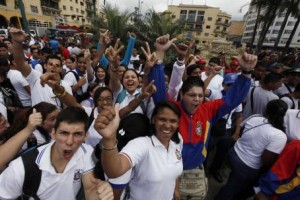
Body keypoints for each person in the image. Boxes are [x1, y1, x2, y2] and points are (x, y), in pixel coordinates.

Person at [0, 107, 113, 200]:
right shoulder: (21, 168)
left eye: (77, 134)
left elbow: (90, 189)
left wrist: (101, 193)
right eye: (64, 133)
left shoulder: (85, 152)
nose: (69, 142)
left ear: (85, 136)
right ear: (53, 133)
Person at [94, 101, 183, 200]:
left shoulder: (176, 146)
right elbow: (114, 171)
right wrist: (109, 139)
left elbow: (174, 171)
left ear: (178, 123)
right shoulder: (142, 145)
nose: (167, 125)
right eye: (162, 119)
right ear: (153, 120)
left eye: (173, 121)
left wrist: (176, 191)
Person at [215, 99, 288, 200]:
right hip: (247, 166)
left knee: (234, 180)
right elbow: (266, 160)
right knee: (231, 188)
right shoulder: (280, 136)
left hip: (233, 152)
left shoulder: (255, 117)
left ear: (266, 110)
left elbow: (241, 130)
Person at [9, 27, 72, 110]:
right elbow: (20, 63)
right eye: (50, 64)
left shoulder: (65, 85)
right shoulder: (35, 78)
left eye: (57, 65)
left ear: (61, 69)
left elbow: (67, 108)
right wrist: (17, 42)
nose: (53, 66)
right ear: (45, 66)